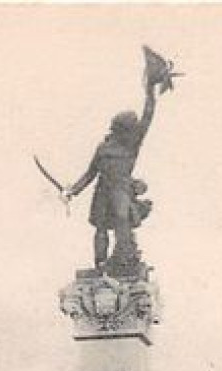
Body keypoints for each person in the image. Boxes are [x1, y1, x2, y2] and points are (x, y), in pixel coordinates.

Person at [62, 70, 161, 275]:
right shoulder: (103, 148)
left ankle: (124, 261)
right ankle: (100, 263)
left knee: (121, 224)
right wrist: (73, 190)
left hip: (121, 190)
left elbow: (148, 116)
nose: (133, 130)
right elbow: (90, 173)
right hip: (103, 191)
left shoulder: (132, 146)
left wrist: (150, 90)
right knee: (100, 229)